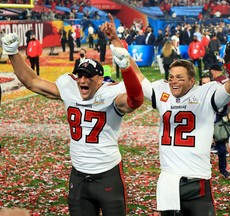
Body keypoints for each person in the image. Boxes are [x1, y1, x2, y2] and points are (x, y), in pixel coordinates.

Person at [103, 14, 230, 216]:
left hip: (197, 179)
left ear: (191, 80)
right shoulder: (163, 92)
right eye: (171, 77)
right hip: (169, 181)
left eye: (180, 77)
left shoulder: (206, 93)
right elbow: (139, 77)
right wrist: (115, 41)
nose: (174, 82)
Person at [1, 30, 144, 216]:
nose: (82, 80)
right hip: (78, 176)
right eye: (80, 75)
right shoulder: (70, 90)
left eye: (88, 76)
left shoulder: (110, 94)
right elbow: (32, 82)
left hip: (108, 175)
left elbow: (135, 100)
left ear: (100, 79)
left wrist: (126, 69)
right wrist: (13, 53)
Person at [210, 64, 230, 178]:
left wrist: (223, 115)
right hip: (204, 123)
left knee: (221, 148)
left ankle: (223, 169)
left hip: (217, 121)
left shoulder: (217, 83)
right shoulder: (222, 79)